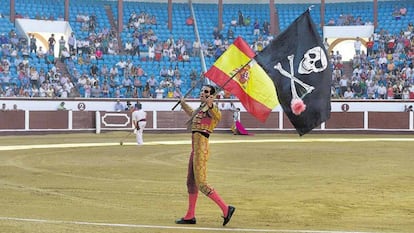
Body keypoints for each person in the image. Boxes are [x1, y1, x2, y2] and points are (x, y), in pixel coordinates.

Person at [175, 85, 235, 226]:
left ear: (212, 95)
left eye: (206, 92)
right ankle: (190, 216)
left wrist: (211, 104)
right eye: (202, 91)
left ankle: (226, 209)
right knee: (191, 182)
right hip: (195, 150)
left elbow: (218, 116)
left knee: (201, 183)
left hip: (201, 149)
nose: (202, 93)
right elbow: (192, 114)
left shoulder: (212, 110)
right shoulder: (201, 109)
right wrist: (183, 103)